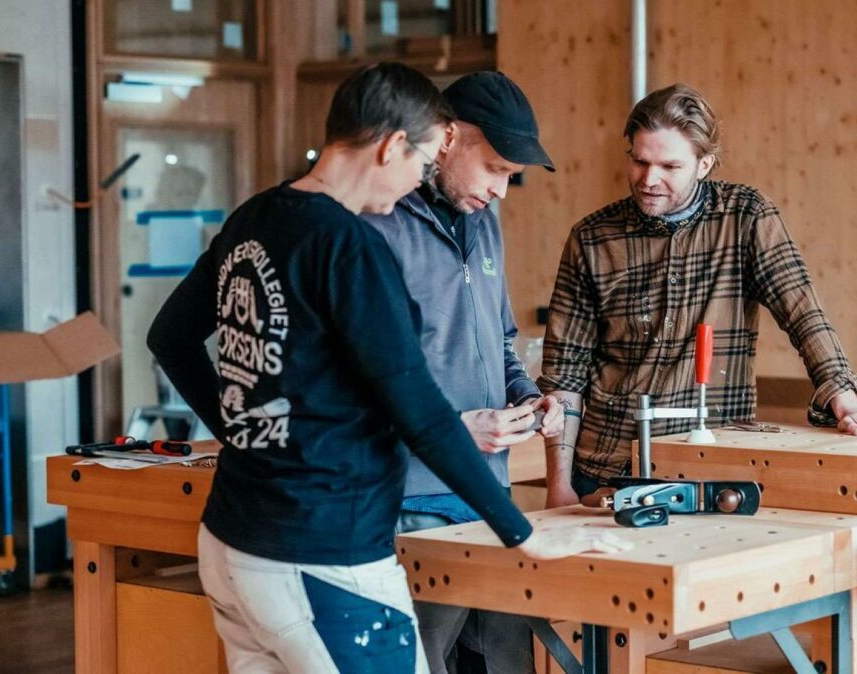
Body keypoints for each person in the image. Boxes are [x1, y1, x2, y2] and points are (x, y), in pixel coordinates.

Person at [147, 63, 627, 674]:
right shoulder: (353, 245)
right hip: (323, 550)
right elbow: (422, 413)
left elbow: (170, 337)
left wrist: (243, 433)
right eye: (422, 161)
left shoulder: (258, 214)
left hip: (231, 540)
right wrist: (524, 533)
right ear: (393, 145)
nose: (417, 181)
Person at [538, 83, 857, 507]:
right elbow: (563, 373)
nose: (649, 180)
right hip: (606, 466)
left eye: (669, 166)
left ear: (704, 165)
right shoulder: (592, 238)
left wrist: (845, 402)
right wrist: (559, 487)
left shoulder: (746, 217)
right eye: (640, 162)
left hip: (710, 465)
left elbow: (802, 311)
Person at [362, 71, 559, 674]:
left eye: (510, 175)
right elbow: (359, 379)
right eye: (495, 167)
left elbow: (498, 339)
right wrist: (455, 427)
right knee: (422, 662)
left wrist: (528, 393)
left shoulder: (482, 219)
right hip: (411, 498)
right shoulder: (376, 225)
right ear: (448, 138)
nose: (502, 189)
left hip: (486, 490)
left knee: (504, 662)